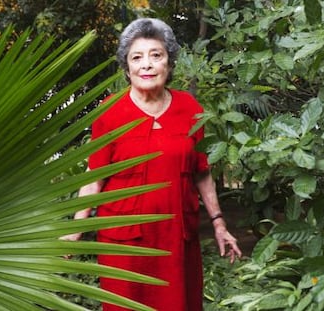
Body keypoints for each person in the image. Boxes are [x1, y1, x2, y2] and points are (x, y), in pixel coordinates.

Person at [63, 17, 242, 311]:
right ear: (127, 68)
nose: (146, 64)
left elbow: (202, 173)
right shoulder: (110, 112)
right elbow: (94, 176)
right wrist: (76, 230)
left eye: (155, 55)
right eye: (137, 57)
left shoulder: (190, 109)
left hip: (177, 241)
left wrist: (219, 223)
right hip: (124, 244)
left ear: (169, 64)